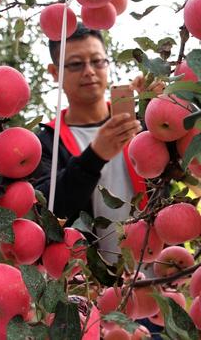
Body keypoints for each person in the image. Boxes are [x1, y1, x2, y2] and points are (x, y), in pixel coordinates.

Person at [32, 24, 152, 263]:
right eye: (76, 64)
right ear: (55, 72)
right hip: (88, 288)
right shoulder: (45, 143)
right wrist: (95, 156)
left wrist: (162, 107)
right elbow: (44, 211)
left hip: (159, 274)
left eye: (97, 61)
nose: (89, 71)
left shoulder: (142, 126)